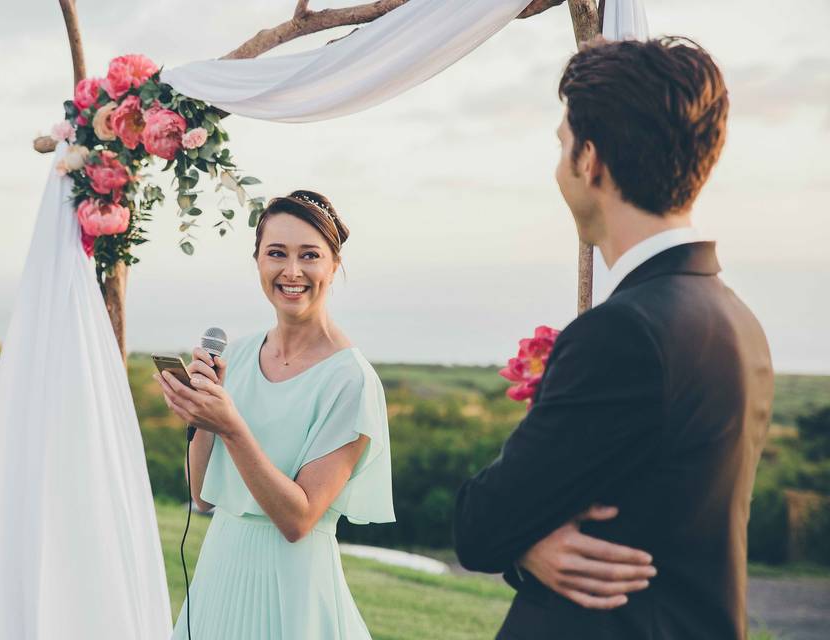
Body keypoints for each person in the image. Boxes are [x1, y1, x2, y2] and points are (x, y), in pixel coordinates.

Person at [453, 37, 774, 640]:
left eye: (562, 145)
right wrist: (529, 543)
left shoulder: (623, 332)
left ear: (591, 161)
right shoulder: (737, 319)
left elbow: (479, 525)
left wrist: (516, 536)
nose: (559, 164)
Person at [155, 190, 394, 640]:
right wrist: (203, 415)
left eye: (309, 255)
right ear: (258, 262)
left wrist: (230, 426)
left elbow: (298, 520)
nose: (292, 271)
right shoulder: (240, 354)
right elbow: (203, 496)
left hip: (293, 589)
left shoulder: (350, 380)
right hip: (219, 574)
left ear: (334, 266)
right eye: (276, 254)